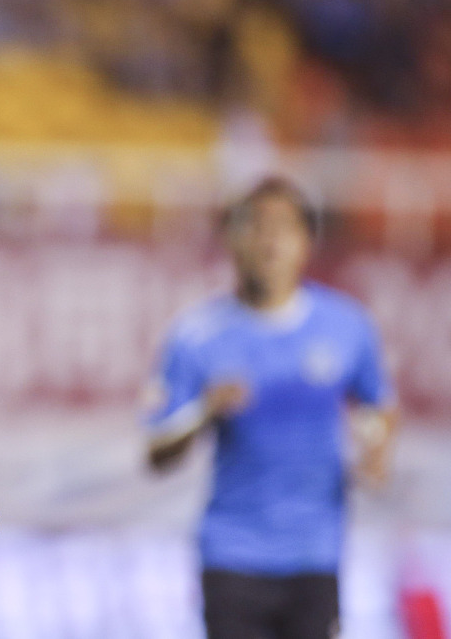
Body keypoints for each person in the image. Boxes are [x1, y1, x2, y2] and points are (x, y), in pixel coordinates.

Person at [144, 177, 397, 639]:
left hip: (315, 553)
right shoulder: (198, 335)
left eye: (284, 226)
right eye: (255, 225)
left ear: (307, 241)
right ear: (231, 238)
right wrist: (205, 410)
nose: (269, 240)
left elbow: (377, 405)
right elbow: (157, 451)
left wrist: (376, 452)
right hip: (233, 554)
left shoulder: (346, 327)